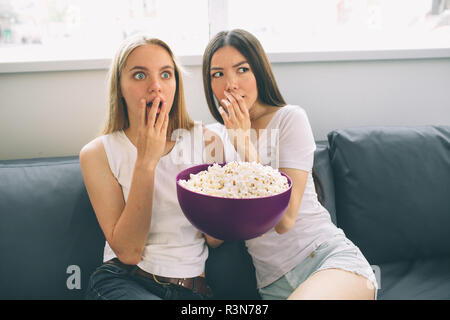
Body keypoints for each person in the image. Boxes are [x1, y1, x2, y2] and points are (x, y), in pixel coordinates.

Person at [202, 29, 378, 300]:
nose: (231, 84)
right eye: (218, 74)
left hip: (327, 261)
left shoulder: (289, 119)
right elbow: (214, 238)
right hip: (272, 285)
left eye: (242, 69)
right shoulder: (214, 139)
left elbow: (284, 221)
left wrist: (245, 146)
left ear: (259, 72)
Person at [80, 34, 223, 300]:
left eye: (166, 74)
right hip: (125, 281)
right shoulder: (98, 153)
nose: (156, 86)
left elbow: (215, 239)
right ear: (119, 87)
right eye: (139, 75)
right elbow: (129, 252)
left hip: (193, 291)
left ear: (176, 85)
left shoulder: (207, 142)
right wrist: (146, 162)